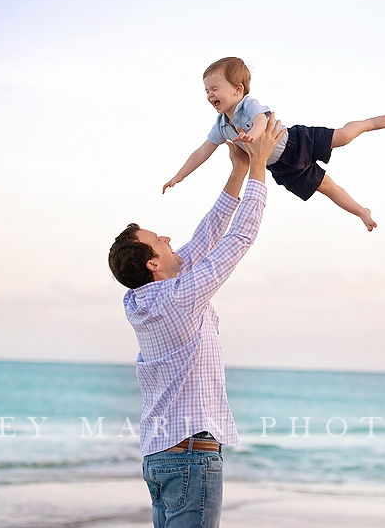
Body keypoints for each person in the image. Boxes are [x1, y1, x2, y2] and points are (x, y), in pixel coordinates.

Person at [108, 116, 286, 528]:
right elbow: (237, 240)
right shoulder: (177, 297)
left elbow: (204, 240)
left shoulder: (140, 298)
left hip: (160, 458)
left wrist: (237, 171)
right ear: (153, 263)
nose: (169, 238)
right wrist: (259, 166)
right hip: (189, 458)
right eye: (160, 240)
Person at [162, 56, 385, 231]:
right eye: (206, 91)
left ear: (237, 89)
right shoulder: (221, 125)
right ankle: (362, 212)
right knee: (326, 186)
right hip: (283, 167)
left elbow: (261, 121)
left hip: (296, 141)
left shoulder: (248, 104)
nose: (209, 95)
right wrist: (179, 176)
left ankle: (369, 123)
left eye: (214, 88)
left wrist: (252, 136)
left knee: (343, 137)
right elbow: (202, 151)